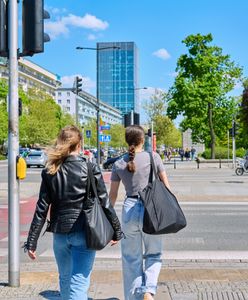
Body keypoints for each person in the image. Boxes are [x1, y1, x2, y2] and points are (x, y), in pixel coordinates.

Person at [24, 125, 122, 300]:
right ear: (79, 145)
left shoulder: (50, 171)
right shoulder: (90, 168)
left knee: (66, 280)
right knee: (79, 282)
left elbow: (41, 208)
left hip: (60, 235)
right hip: (85, 232)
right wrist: (116, 230)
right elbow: (104, 202)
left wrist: (32, 241)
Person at [109, 125, 170, 300]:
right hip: (151, 210)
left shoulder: (119, 163)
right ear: (143, 140)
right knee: (154, 254)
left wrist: (110, 223)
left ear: (127, 141)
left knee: (130, 259)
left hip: (129, 208)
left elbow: (112, 196)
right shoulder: (153, 157)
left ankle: (134, 297)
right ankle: (148, 290)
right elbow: (166, 187)